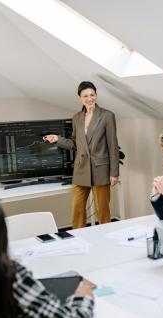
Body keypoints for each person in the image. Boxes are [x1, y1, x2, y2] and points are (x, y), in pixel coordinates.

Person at [44, 81, 119, 228]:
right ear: (80, 98)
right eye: (86, 96)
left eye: (92, 95)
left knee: (102, 212)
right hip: (81, 170)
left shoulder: (107, 116)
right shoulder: (77, 117)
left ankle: (107, 239)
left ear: (96, 96)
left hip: (100, 169)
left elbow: (113, 145)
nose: (90, 99)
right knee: (77, 210)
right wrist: (57, 139)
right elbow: (74, 143)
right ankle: (78, 240)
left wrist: (114, 172)